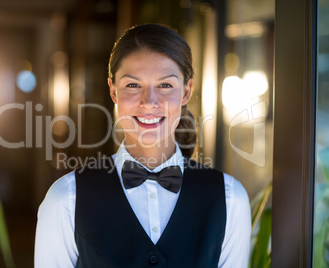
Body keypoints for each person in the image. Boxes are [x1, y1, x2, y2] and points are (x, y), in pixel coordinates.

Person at [35, 24, 251, 268]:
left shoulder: (230, 198)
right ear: (113, 91)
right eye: (133, 85)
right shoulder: (64, 199)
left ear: (186, 91)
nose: (149, 102)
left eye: (165, 85)